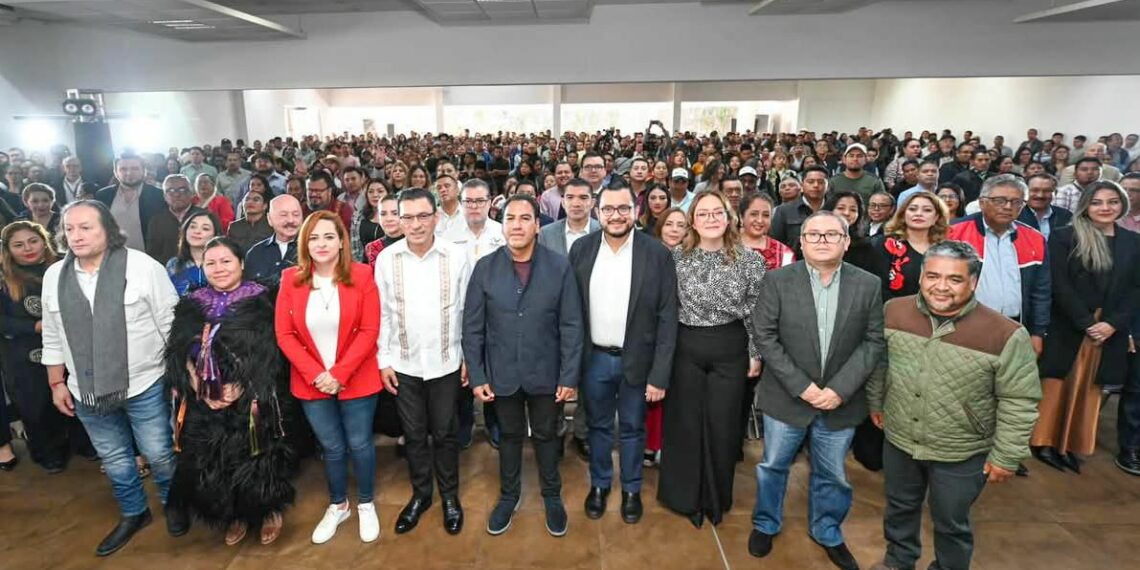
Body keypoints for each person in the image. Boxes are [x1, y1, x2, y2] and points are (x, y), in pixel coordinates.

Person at [866, 240, 1041, 570]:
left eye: (954, 279)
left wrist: (1007, 455)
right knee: (899, 508)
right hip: (900, 438)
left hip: (961, 450)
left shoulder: (1004, 333)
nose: (941, 287)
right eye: (932, 276)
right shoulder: (894, 311)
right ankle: (898, 560)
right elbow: (879, 363)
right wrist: (876, 401)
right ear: (920, 277)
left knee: (951, 522)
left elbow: (1020, 399)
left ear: (973, 282)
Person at [41, 200, 186, 556]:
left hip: (145, 381)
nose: (77, 236)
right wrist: (57, 382)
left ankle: (175, 503)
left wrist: (181, 374)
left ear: (108, 228)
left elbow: (171, 323)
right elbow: (53, 335)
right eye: (70, 228)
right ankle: (134, 513)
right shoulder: (54, 276)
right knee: (116, 459)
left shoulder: (141, 267)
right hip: (86, 389)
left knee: (159, 453)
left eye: (86, 227)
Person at [749, 211, 885, 570]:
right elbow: (765, 336)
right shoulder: (777, 281)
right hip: (787, 398)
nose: (822, 240)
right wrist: (803, 387)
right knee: (773, 466)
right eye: (814, 234)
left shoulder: (868, 284)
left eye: (831, 234)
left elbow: (873, 341)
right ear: (802, 241)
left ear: (845, 241)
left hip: (840, 401)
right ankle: (765, 523)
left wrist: (839, 389)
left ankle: (827, 531)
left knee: (833, 473)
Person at [462, 194, 584, 537]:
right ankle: (508, 496)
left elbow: (572, 324)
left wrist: (569, 374)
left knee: (547, 435)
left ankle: (551, 495)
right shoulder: (485, 267)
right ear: (502, 225)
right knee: (510, 436)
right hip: (502, 373)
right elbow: (472, 327)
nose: (516, 225)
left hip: (547, 372)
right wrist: (478, 374)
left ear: (537, 225)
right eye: (510, 218)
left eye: (524, 218)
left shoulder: (559, 266)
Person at [164, 237, 298, 546]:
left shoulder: (264, 299)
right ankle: (233, 514)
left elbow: (274, 352)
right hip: (204, 399)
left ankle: (267, 511)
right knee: (216, 460)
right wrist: (195, 382)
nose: (219, 268)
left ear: (240, 263)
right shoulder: (190, 304)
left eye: (226, 261)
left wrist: (243, 386)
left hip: (253, 398)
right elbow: (177, 350)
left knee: (258, 456)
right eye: (211, 262)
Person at [569, 184, 678, 525]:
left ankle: (631, 488)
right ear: (596, 212)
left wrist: (660, 375)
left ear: (635, 210)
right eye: (608, 209)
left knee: (632, 428)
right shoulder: (581, 250)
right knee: (598, 427)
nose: (616, 216)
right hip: (594, 359)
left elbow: (667, 317)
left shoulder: (656, 253)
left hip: (638, 360)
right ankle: (600, 484)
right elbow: (571, 314)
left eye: (623, 208)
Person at [275, 210, 383, 545]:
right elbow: (284, 334)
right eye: (314, 237)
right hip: (311, 380)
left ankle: (366, 502)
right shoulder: (290, 278)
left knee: (360, 443)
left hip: (357, 376)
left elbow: (369, 330)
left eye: (328, 236)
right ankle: (339, 505)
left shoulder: (362, 275)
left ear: (341, 241)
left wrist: (339, 373)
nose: (321, 244)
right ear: (304, 243)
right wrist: (317, 375)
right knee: (331, 446)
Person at [658, 190, 764, 528]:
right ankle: (685, 497)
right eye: (702, 214)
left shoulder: (751, 260)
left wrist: (754, 353)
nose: (710, 219)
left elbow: (757, 313)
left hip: (730, 347)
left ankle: (716, 498)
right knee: (686, 424)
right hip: (686, 345)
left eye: (717, 212)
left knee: (723, 425)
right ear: (692, 221)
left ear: (729, 217)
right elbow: (664, 310)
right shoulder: (674, 258)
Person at [376, 188, 470, 537]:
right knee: (413, 434)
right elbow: (383, 313)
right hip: (404, 363)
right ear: (398, 220)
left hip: (447, 362)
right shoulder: (387, 259)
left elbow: (469, 312)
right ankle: (421, 495)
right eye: (408, 217)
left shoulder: (456, 256)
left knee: (445, 433)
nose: (415, 224)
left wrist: (469, 358)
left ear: (435, 217)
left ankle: (449, 497)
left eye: (422, 216)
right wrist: (384, 359)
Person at [1031, 181, 1140, 474]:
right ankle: (1044, 443)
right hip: (1070, 325)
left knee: (1090, 389)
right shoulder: (1065, 236)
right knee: (1057, 385)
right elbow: (1059, 285)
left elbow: (1135, 289)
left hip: (1109, 330)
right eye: (1097, 202)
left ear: (1122, 205)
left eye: (1112, 202)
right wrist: (1087, 323)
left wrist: (1113, 324)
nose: (1105, 208)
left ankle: (1070, 444)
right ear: (1086, 206)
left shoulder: (1133, 241)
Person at [0, 221, 94, 472]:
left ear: (44, 240)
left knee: (78, 396)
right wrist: (35, 327)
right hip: (24, 353)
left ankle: (84, 443)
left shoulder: (67, 264)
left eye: (33, 241)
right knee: (36, 404)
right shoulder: (3, 277)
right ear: (8, 249)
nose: (28, 248)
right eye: (18, 245)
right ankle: (48, 452)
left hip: (73, 347)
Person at [948, 174, 1050, 355]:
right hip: (964, 326)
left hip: (1015, 326)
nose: (1008, 207)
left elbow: (1040, 291)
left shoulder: (1034, 239)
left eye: (1016, 202)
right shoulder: (954, 232)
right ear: (982, 202)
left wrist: (1037, 333)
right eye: (1000, 200)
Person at [873, 191, 949, 300]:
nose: (918, 213)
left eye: (927, 210)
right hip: (894, 310)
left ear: (936, 217)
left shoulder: (945, 250)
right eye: (912, 209)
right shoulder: (886, 245)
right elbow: (879, 287)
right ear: (903, 214)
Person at [96, 154, 167, 252]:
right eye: (123, 169)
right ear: (115, 172)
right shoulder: (103, 195)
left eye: (135, 169)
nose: (129, 173)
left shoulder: (158, 196)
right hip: (111, 255)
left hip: (148, 256)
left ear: (144, 171)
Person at [824, 190, 887, 279]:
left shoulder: (865, 246)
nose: (847, 213)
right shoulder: (814, 240)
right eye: (841, 208)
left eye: (853, 210)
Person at [771, 165, 829, 257]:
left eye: (821, 182)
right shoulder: (784, 211)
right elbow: (775, 244)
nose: (816, 185)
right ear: (802, 185)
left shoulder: (834, 209)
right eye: (810, 182)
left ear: (827, 186)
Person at [244, 195, 303, 285]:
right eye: (284, 215)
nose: (291, 220)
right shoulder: (255, 253)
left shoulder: (311, 249)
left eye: (296, 214)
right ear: (269, 219)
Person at [166, 211, 222, 296]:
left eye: (205, 228)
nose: (197, 231)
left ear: (215, 235)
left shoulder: (223, 264)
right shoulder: (173, 264)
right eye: (192, 227)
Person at [739, 193, 795, 272]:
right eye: (753, 214)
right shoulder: (724, 247)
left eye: (766, 215)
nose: (760, 220)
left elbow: (790, 282)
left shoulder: (784, 253)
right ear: (741, 217)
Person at [1017, 173, 1072, 240]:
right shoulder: (1015, 215)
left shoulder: (1065, 215)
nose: (1040, 195)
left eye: (1047, 191)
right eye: (1035, 190)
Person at [227, 180, 274, 253]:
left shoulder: (272, 225)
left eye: (256, 200)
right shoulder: (234, 227)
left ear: (265, 206)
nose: (250, 202)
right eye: (247, 199)